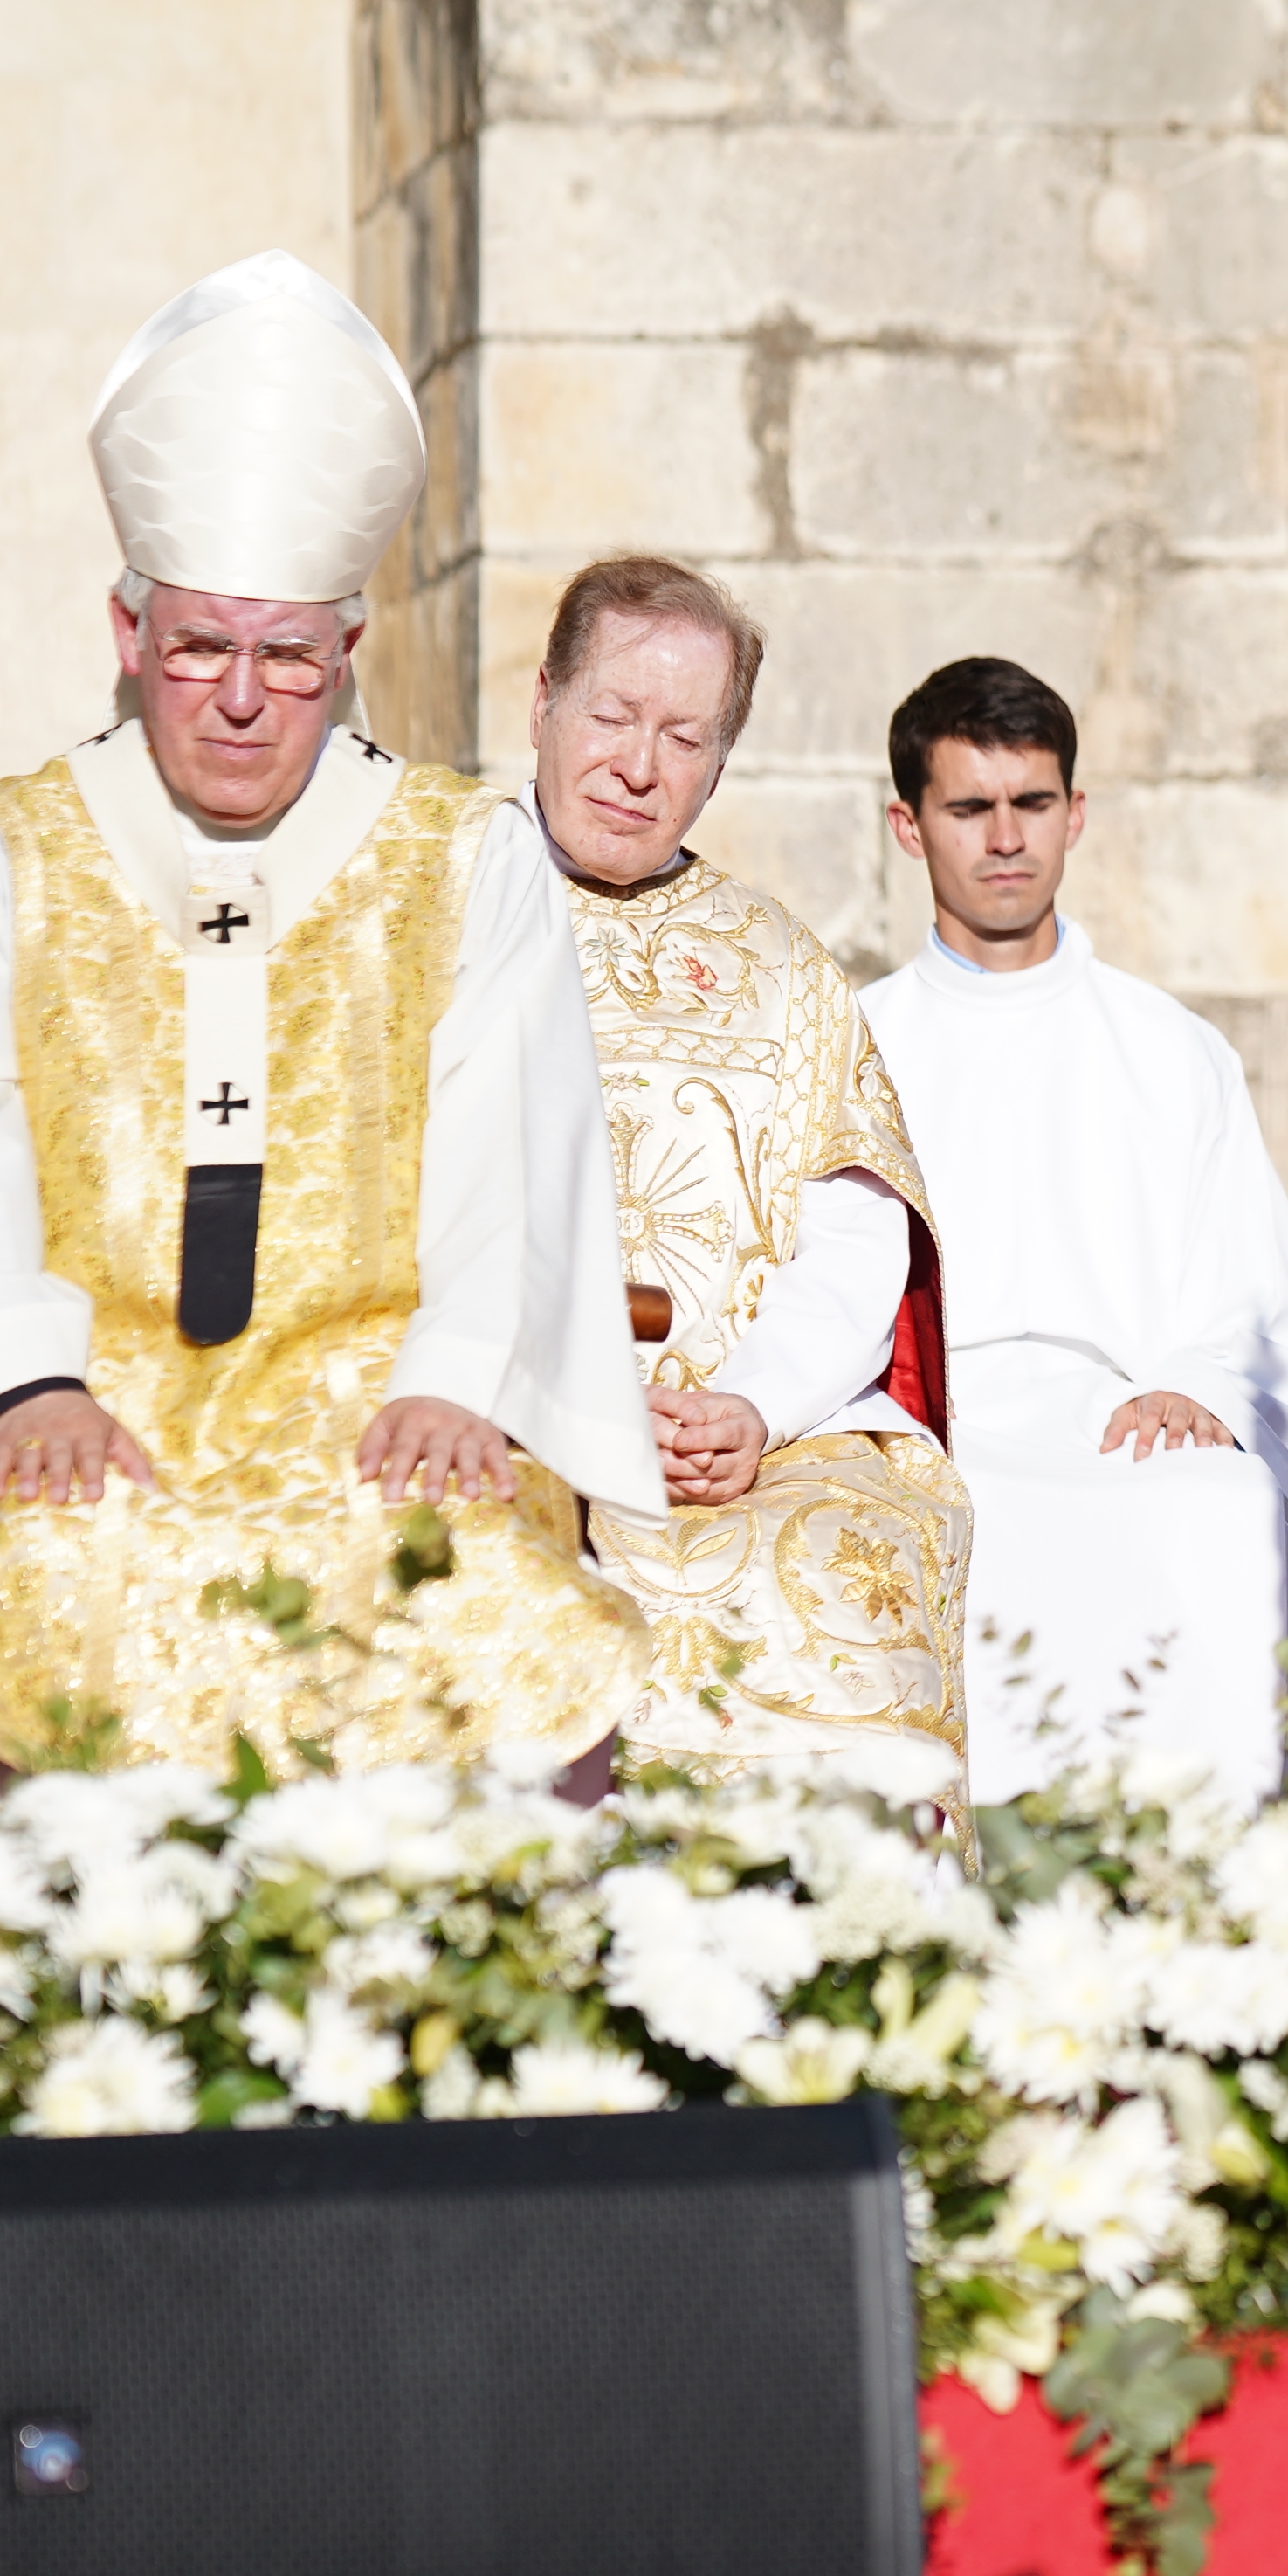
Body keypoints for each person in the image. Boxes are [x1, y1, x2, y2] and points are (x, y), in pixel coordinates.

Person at [0, 253, 658, 1790]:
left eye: (286, 657)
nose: (240, 700)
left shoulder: (465, 859)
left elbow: (516, 1152)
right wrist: (23, 1383)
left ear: (347, 656)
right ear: (128, 632)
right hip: (79, 1393)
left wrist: (458, 1379)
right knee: (49, 1570)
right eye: (202, 646)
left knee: (465, 1576)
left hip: (391, 1392)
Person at [524, 556, 971, 1788]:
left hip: (737, 1444)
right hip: (500, 1417)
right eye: (611, 718)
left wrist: (756, 1408)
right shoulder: (437, 906)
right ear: (543, 706)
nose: (637, 766)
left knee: (863, 1567)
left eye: (684, 737)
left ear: (719, 765)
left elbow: (855, 1241)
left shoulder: (780, 963)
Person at [862, 654, 1288, 1799]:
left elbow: (1261, 1309)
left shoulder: (1170, 1050)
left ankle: (1203, 1891)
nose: (1006, 839)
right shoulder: (851, 1050)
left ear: (1076, 815)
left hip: (1122, 1423)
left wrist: (1200, 1389)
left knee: (1217, 1511)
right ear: (906, 825)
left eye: (1032, 805)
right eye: (969, 809)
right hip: (929, 1427)